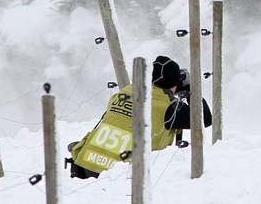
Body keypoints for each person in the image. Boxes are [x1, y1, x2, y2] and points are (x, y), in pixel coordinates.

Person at [67, 55, 212, 179]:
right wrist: (192, 91)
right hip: (117, 174)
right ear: (174, 83)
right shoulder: (169, 107)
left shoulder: (125, 91)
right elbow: (205, 118)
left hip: (86, 163)